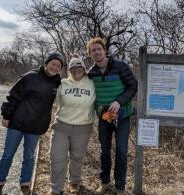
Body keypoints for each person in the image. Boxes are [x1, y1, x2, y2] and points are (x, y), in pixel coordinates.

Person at [0, 52, 63, 195]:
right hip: (17, 123)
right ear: (46, 63)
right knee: (8, 154)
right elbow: (13, 96)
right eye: (53, 63)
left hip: (35, 127)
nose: (55, 67)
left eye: (58, 66)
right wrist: (6, 115)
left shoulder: (57, 83)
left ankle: (25, 184)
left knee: (29, 157)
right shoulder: (30, 76)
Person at [86, 37, 137, 195]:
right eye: (93, 50)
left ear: (104, 50)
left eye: (99, 49)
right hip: (104, 118)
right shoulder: (91, 72)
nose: (97, 52)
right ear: (90, 54)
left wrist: (119, 101)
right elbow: (77, 79)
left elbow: (133, 86)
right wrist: (75, 61)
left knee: (121, 151)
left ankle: (120, 187)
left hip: (122, 116)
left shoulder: (120, 66)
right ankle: (105, 182)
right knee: (104, 150)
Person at [49, 54, 96, 195]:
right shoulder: (62, 83)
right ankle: (56, 188)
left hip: (83, 127)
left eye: (79, 66)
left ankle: (74, 182)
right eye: (72, 67)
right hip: (61, 126)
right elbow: (53, 103)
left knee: (77, 157)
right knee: (57, 157)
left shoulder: (92, 83)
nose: (76, 69)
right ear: (69, 70)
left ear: (84, 68)